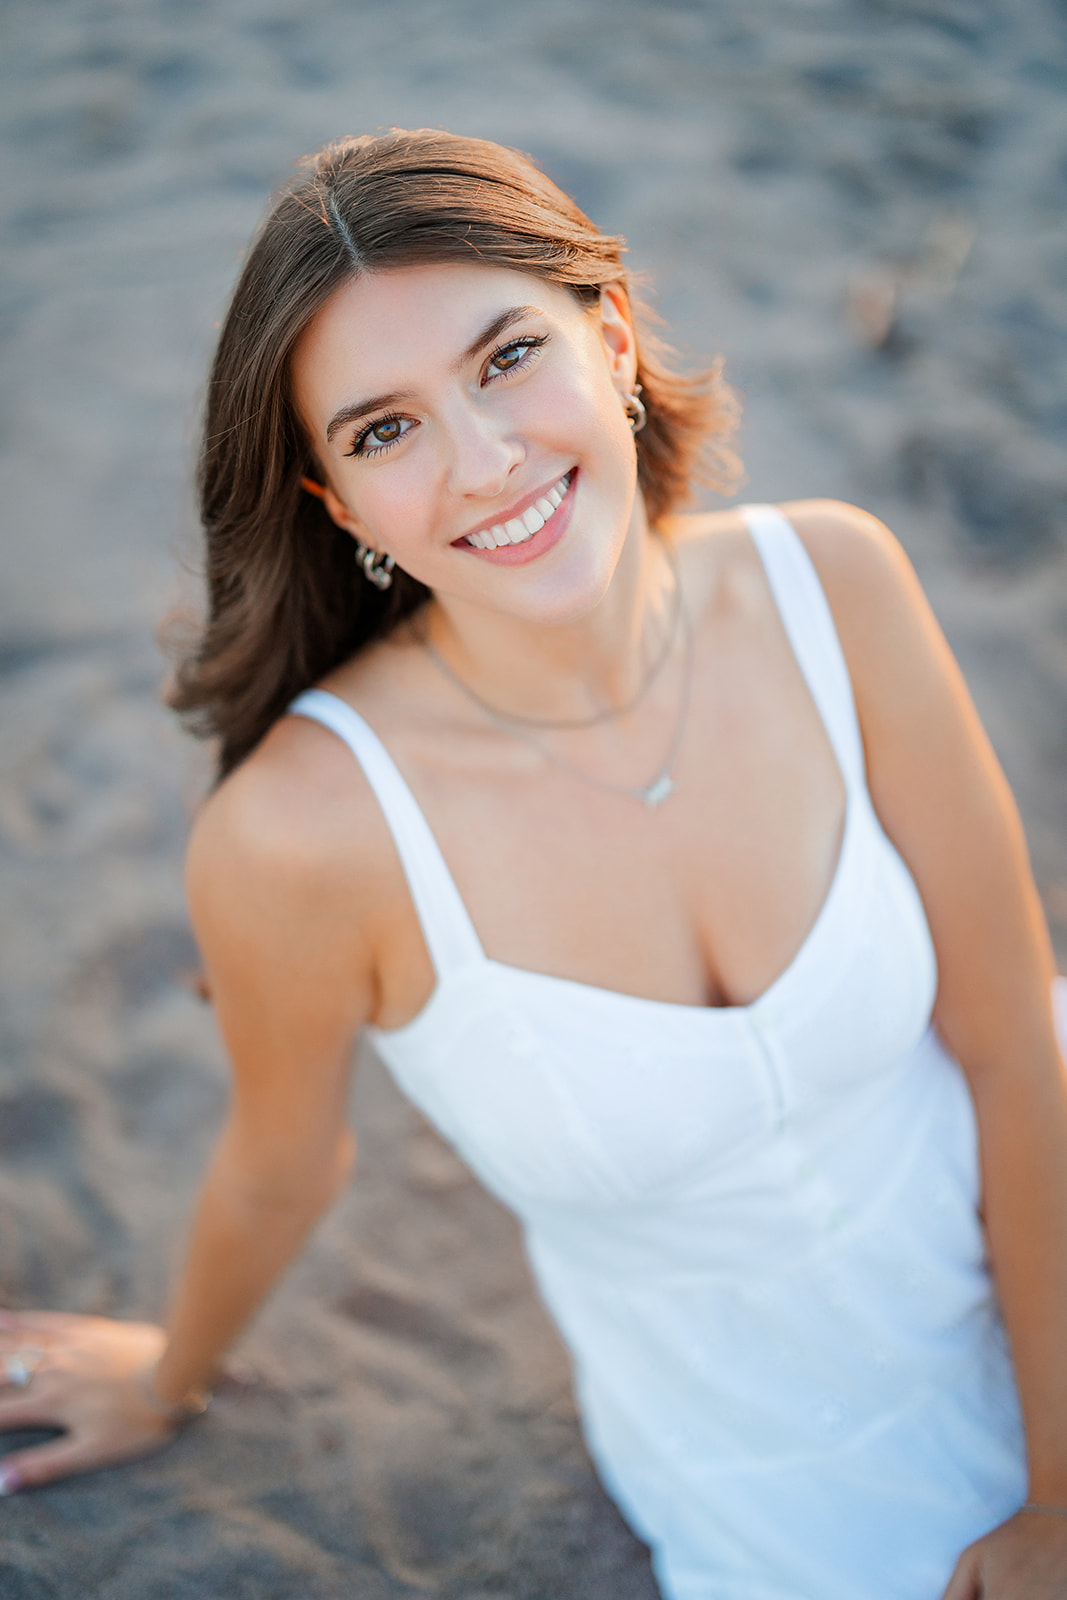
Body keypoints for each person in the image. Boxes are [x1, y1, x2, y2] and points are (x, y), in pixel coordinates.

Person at [1, 126, 1065, 1600]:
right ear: (339, 508)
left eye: (506, 358)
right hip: (786, 1452)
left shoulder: (836, 581)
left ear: (612, 335)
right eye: (385, 431)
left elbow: (1015, 1042)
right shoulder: (302, 839)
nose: (484, 460)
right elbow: (282, 1162)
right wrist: (171, 1378)